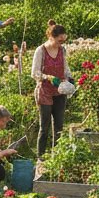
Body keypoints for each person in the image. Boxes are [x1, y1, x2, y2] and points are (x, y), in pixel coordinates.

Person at [31, 21, 73, 158]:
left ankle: (57, 156)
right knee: (45, 127)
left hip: (60, 91)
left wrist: (69, 79)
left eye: (63, 40)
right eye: (59, 40)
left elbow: (66, 68)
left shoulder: (62, 50)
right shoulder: (41, 51)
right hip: (45, 91)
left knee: (59, 126)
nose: (60, 43)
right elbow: (34, 73)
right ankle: (41, 157)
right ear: (51, 37)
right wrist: (47, 77)